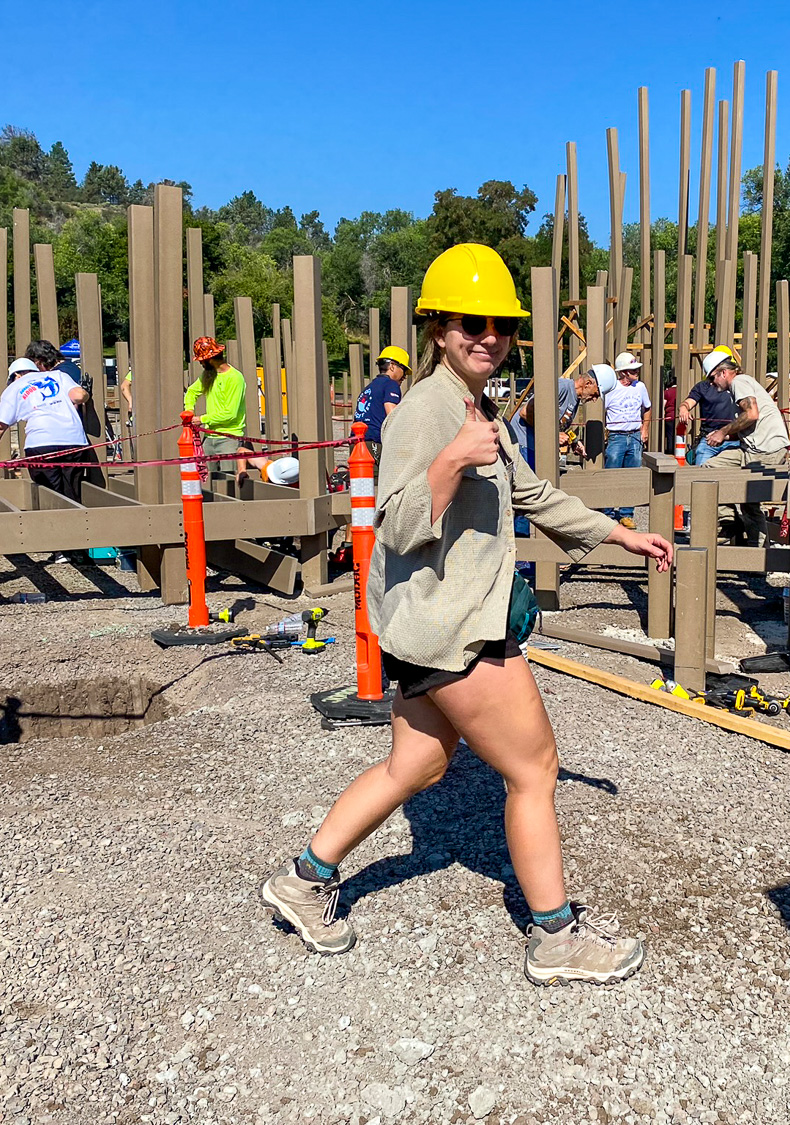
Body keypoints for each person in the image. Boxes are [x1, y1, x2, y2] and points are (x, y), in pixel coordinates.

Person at [260, 243, 673, 986]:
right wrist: (449, 461)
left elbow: (533, 494)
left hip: (431, 628)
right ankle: (554, 936)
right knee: (535, 767)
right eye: (470, 323)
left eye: (501, 326)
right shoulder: (426, 410)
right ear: (439, 329)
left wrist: (617, 532)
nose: (488, 335)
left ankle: (302, 878)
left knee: (416, 762)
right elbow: (392, 524)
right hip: (452, 628)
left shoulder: (473, 406)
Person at [699, 346, 790, 544]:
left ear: (723, 372)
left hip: (766, 450)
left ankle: (758, 553)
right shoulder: (741, 385)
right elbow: (750, 425)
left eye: (712, 378)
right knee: (710, 469)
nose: (712, 383)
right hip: (752, 448)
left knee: (750, 500)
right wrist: (728, 436)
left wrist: (723, 432)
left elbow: (751, 414)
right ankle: (730, 522)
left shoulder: (739, 382)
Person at [0, 355, 93, 506]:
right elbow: (79, 395)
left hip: (40, 445)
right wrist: (87, 393)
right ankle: (75, 524)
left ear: (16, 374)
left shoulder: (13, 388)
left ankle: (51, 526)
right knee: (72, 494)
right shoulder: (59, 376)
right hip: (73, 441)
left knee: (47, 496)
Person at [602, 354, 651, 527]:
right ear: (622, 372)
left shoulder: (640, 387)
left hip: (635, 435)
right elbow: (602, 409)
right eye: (633, 370)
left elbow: (647, 408)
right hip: (617, 436)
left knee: (632, 475)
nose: (637, 372)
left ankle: (626, 514)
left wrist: (644, 429)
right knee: (611, 474)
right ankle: (606, 512)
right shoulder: (611, 389)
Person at [183, 337, 247, 460]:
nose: (201, 363)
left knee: (228, 477)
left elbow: (230, 414)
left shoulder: (235, 378)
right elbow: (191, 392)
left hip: (229, 439)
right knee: (207, 477)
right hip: (209, 437)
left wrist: (202, 419)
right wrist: (189, 410)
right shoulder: (209, 375)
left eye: (202, 360)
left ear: (210, 359)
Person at [354, 345, 411, 474]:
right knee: (375, 487)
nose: (404, 376)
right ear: (392, 366)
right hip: (374, 443)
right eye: (404, 370)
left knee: (361, 487)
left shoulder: (369, 387)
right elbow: (393, 416)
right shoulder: (391, 385)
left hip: (356, 443)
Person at [678, 357, 742, 466]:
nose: (712, 383)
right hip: (709, 440)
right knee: (701, 472)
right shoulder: (703, 387)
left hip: (734, 439)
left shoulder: (739, 385)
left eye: (713, 378)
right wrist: (683, 408)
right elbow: (689, 402)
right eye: (710, 378)